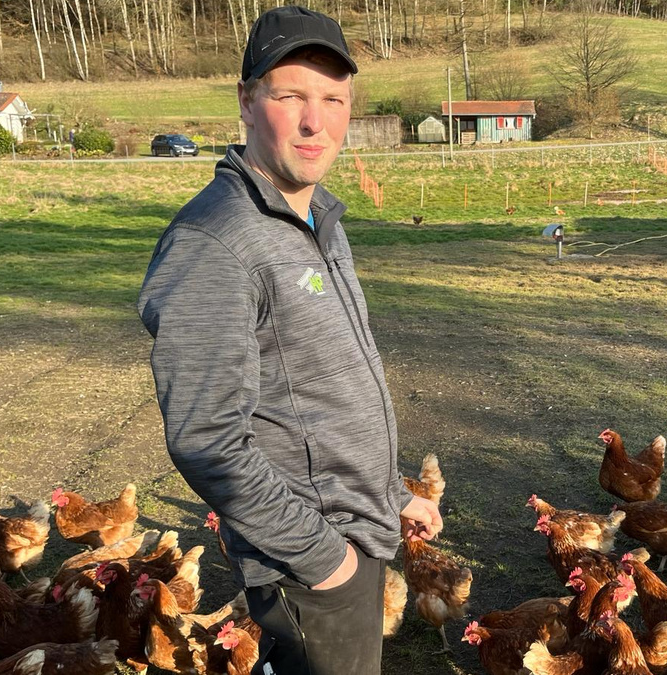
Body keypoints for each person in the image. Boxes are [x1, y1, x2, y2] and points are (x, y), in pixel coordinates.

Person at [136, 7, 442, 674]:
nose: (315, 122)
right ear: (247, 102)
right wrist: (326, 560)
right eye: (291, 96)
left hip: (355, 533)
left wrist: (392, 495)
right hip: (312, 561)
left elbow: (315, 399)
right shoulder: (215, 243)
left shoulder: (317, 216)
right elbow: (206, 438)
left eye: (334, 99)